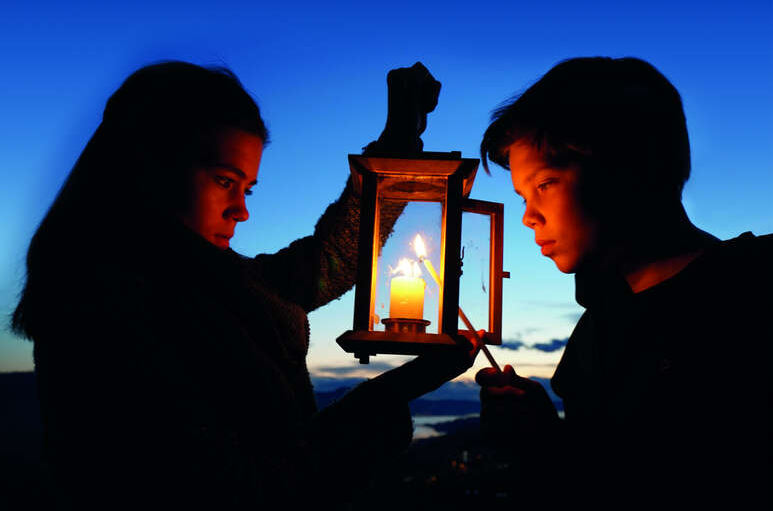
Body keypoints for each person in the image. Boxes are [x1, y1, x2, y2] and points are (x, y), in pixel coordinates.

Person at [12, 60, 480, 510]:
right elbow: (241, 492)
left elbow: (325, 262)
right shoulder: (102, 312)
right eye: (224, 181)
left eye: (247, 188)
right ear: (145, 166)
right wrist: (387, 397)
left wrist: (398, 143)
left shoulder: (218, 280)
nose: (242, 211)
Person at [475, 57, 772, 509]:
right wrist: (543, 437)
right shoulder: (597, 332)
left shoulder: (751, 296)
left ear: (630, 166)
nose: (528, 216)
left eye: (547, 183)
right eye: (522, 195)